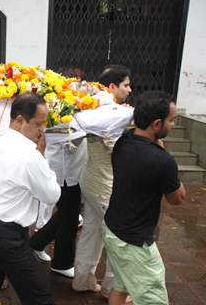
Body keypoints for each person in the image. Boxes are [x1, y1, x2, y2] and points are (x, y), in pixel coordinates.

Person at [0, 93, 61, 305]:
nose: (42, 131)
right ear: (19, 120)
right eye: (38, 125)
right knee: (40, 297)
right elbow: (52, 194)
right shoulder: (29, 155)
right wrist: (41, 156)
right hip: (8, 236)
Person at [103, 91, 185, 304]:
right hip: (135, 242)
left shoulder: (123, 141)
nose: (173, 125)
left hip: (113, 228)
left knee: (121, 287)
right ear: (156, 124)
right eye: (171, 120)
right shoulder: (163, 161)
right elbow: (177, 199)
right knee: (154, 299)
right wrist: (167, 160)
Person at [72, 65, 132, 296]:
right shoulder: (107, 112)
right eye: (126, 85)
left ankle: (82, 281)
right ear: (112, 87)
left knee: (92, 231)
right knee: (116, 236)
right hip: (102, 184)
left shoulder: (96, 106)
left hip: (91, 179)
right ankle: (112, 289)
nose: (130, 89)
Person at [30, 133, 87, 278]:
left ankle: (37, 243)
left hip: (73, 164)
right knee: (69, 216)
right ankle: (62, 263)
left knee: (68, 213)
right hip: (64, 168)